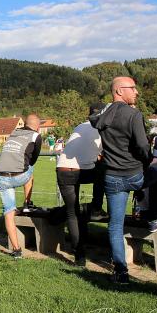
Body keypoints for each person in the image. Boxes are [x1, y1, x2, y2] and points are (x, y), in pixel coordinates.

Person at [90, 77, 157, 284]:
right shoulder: (133, 115)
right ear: (119, 91)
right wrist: (147, 160)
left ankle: (121, 272)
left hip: (112, 177)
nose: (137, 92)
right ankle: (155, 217)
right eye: (132, 88)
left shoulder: (102, 116)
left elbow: (96, 117)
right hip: (134, 174)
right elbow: (142, 146)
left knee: (115, 225)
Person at [56, 103, 106, 266]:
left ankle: (79, 257)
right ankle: (96, 207)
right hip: (83, 170)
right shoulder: (104, 128)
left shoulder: (79, 126)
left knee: (72, 213)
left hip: (63, 168)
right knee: (105, 170)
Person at [0, 114, 42, 258]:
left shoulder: (14, 133)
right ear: (38, 127)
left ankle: (16, 251)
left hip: (2, 177)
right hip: (20, 176)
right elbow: (33, 159)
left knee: (8, 212)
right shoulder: (36, 136)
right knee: (31, 168)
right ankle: (27, 202)